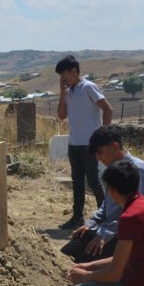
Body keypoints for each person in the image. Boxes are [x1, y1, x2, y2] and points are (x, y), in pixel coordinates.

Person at [61, 125, 144, 263]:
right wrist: (92, 223)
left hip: (125, 234)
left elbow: (135, 216)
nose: (99, 158)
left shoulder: (137, 170)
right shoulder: (113, 169)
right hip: (107, 228)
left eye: (100, 152)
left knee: (79, 261)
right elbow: (107, 203)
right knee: (65, 254)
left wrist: (105, 235)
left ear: (115, 146)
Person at [56, 55, 113, 229]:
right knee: (77, 181)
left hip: (90, 144)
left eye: (64, 75)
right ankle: (77, 217)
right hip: (74, 143)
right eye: (61, 77)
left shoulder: (88, 87)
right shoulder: (69, 91)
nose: (63, 79)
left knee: (94, 181)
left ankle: (105, 217)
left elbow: (108, 109)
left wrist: (103, 136)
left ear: (74, 71)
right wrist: (61, 92)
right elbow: (61, 115)